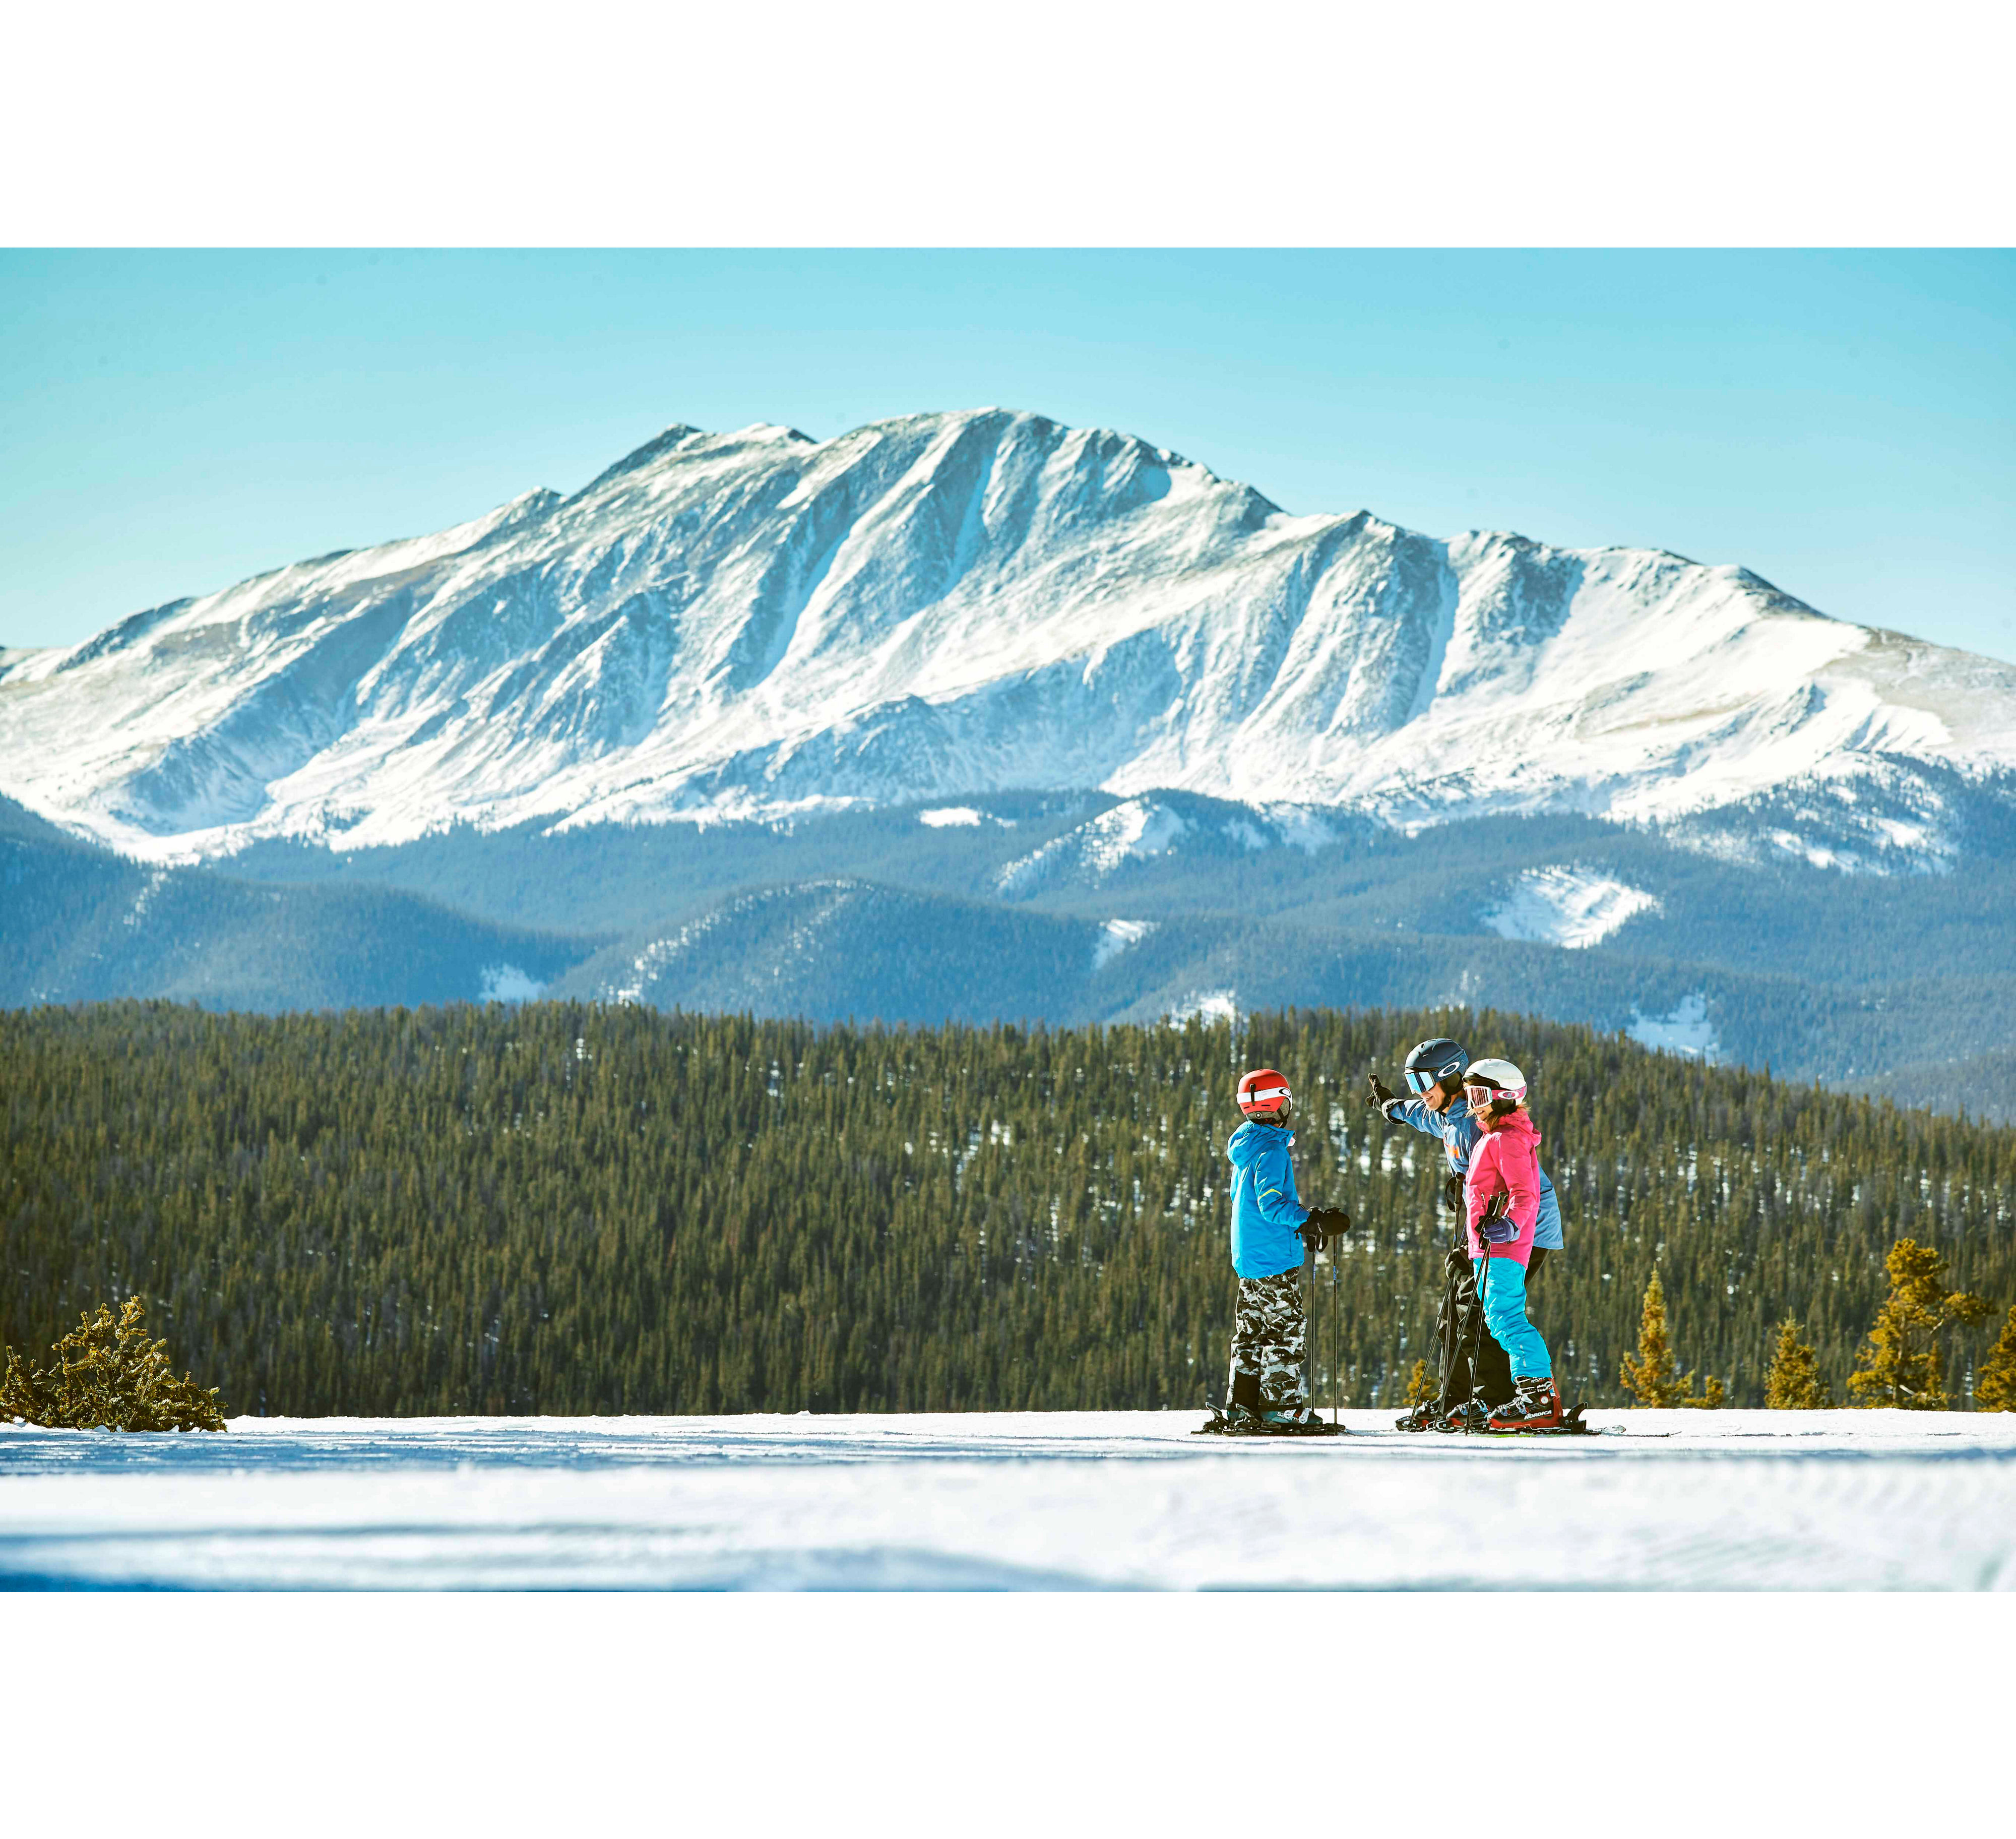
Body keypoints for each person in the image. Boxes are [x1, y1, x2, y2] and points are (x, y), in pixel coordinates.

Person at [1367, 1036, 1564, 1429]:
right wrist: (1390, 1107)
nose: (1420, 1093)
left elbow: (1515, 1186)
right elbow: (1419, 1114)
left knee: (1481, 1311)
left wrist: (1476, 1201)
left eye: (1424, 1084)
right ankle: (1455, 1399)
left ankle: (1494, 1397)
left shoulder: (1480, 1125)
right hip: (1486, 1229)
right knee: (1454, 1312)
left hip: (1521, 1229)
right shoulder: (1448, 1113)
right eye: (1413, 1084)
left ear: (1451, 1078)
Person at [1210, 1067, 1351, 1435]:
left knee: (1251, 1331)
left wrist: (1302, 1224)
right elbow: (1272, 1206)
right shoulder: (1272, 1150)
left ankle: (1242, 1406)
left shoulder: (1246, 1147)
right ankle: (1281, 1407)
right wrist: (1309, 1220)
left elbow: (1247, 1203)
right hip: (1272, 1258)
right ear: (1279, 1104)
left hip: (1250, 1255)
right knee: (1285, 1329)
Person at [1453, 1057, 1560, 1428]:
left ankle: (1539, 1398)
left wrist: (1510, 1225)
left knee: (1505, 1317)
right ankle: (1525, 1396)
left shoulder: (1507, 1139)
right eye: (1470, 1095)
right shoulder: (1493, 1137)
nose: (1474, 1104)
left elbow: (1525, 1193)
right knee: (1496, 1318)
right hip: (1487, 1246)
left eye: (1480, 1095)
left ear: (1505, 1096)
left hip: (1504, 1246)